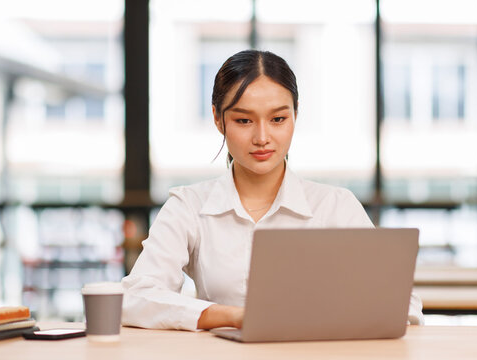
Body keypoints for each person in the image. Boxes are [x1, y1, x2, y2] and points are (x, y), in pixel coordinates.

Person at [120, 49, 424, 330]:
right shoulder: (189, 206)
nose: (262, 137)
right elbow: (135, 298)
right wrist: (234, 316)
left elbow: (403, 306)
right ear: (217, 118)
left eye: (278, 119)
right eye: (243, 120)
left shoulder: (335, 206)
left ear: (295, 114)